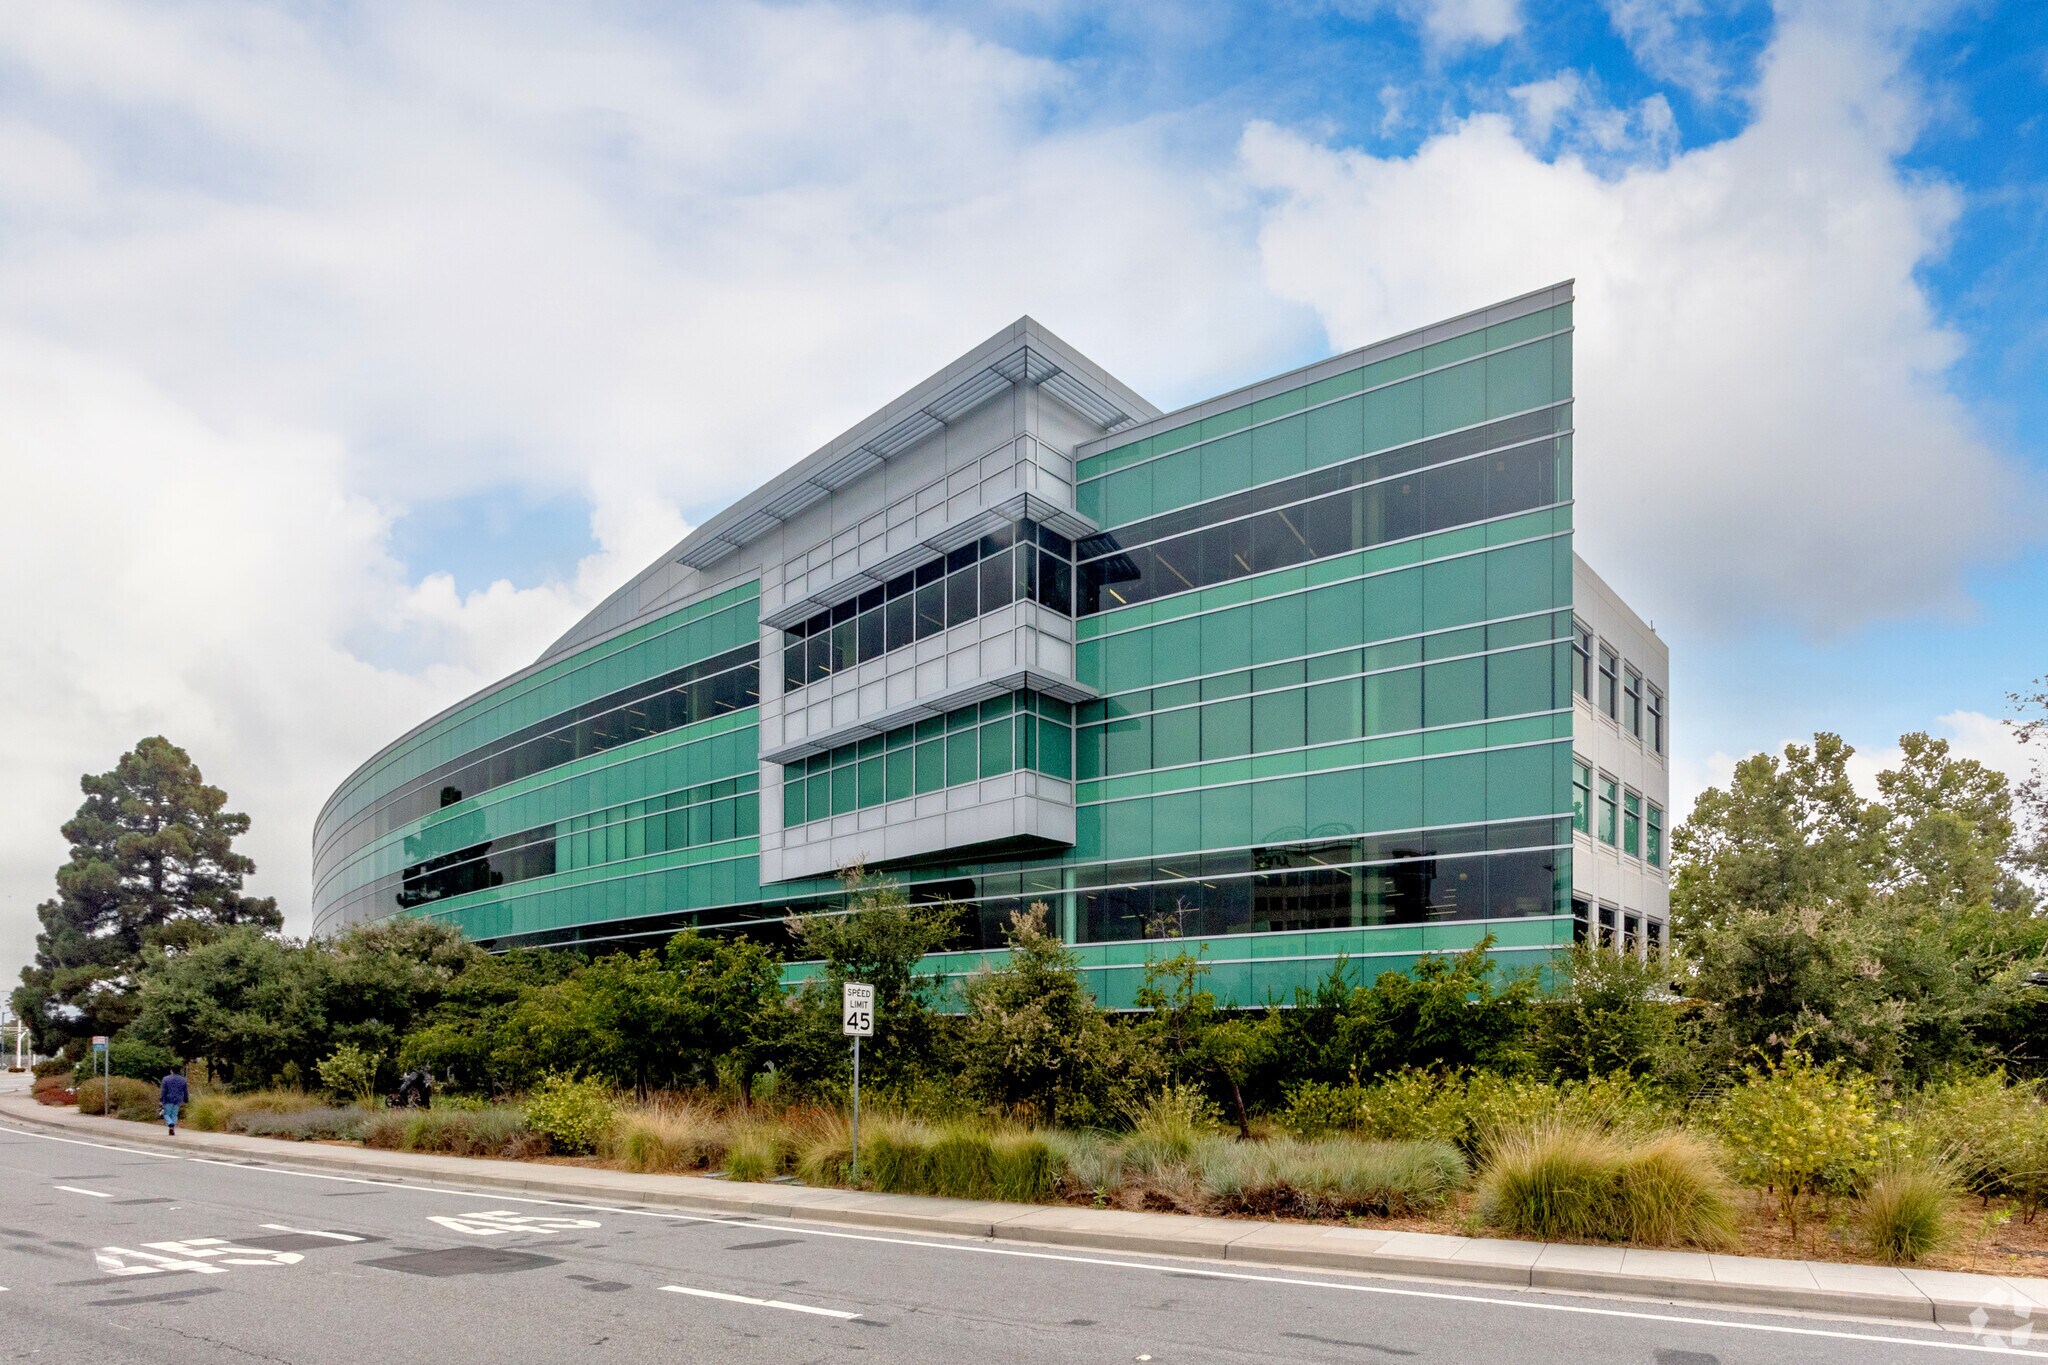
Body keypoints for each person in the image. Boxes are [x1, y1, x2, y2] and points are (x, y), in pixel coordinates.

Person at [160, 1064, 189, 1135]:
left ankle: (170, 1124)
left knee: (166, 1114)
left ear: (171, 1070)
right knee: (174, 1114)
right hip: (178, 1099)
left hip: (168, 1099)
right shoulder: (183, 1079)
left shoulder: (166, 1079)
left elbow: (163, 1090)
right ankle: (172, 1128)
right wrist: (186, 1099)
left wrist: (161, 1099)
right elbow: (185, 1091)